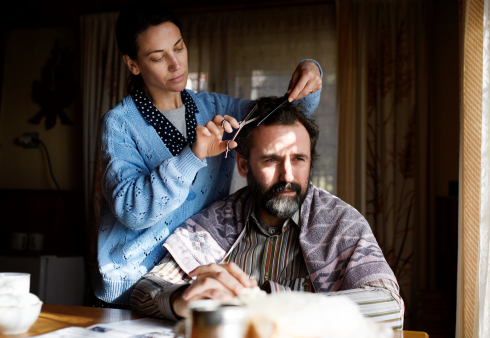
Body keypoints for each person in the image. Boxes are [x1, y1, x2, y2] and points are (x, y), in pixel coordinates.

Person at [93, 1, 323, 306]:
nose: (176, 65)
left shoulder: (215, 108)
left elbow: (287, 114)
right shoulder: (120, 123)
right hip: (128, 288)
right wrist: (193, 155)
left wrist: (311, 70)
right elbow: (132, 211)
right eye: (158, 57)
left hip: (190, 281)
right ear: (133, 64)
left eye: (179, 48)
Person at [131, 97, 404, 328]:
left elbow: (389, 306)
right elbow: (145, 291)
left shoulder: (341, 224)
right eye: (272, 160)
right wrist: (182, 300)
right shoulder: (217, 221)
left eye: (299, 159)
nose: (287, 175)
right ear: (244, 166)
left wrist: (264, 301)